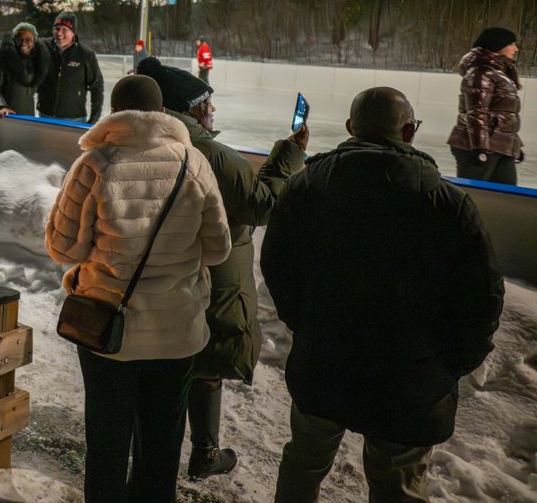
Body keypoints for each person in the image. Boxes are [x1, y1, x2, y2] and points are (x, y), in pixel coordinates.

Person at [262, 87, 504, 503]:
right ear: (409, 131)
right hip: (411, 382)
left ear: (351, 128)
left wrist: (308, 327)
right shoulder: (447, 202)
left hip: (323, 365)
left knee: (304, 463)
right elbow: (481, 296)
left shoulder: (303, 190)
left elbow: (278, 268)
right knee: (398, 486)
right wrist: (449, 363)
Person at [46, 74, 231, 503]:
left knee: (107, 447)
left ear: (115, 113)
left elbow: (63, 248)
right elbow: (218, 249)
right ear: (162, 113)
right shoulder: (192, 162)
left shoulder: (94, 164)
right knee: (161, 450)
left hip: (109, 333)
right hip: (176, 332)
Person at [137, 55, 306, 478]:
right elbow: (262, 204)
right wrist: (289, 154)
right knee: (202, 362)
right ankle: (199, 453)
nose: (211, 110)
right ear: (186, 110)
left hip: (163, 279)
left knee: (180, 364)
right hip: (211, 276)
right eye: (205, 103)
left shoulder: (148, 146)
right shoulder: (210, 154)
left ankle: (175, 455)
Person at [447, 26, 523, 185]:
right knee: (474, 196)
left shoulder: (499, 72)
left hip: (500, 146)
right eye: (511, 43)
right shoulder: (481, 73)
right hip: (478, 146)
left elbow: (504, 114)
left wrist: (514, 145)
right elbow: (477, 113)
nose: (515, 48)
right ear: (498, 45)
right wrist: (479, 147)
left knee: (506, 197)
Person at [38, 11, 104, 123]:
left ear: (73, 33)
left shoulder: (86, 55)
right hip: (45, 115)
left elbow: (97, 86)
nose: (59, 33)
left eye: (65, 29)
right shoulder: (43, 47)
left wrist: (94, 119)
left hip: (74, 118)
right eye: (57, 28)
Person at [0, 21, 49, 117]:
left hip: (29, 119)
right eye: (19, 39)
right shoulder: (3, 59)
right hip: (8, 118)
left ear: (34, 42)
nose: (23, 43)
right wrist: (0, 106)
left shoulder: (36, 62)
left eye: (28, 40)